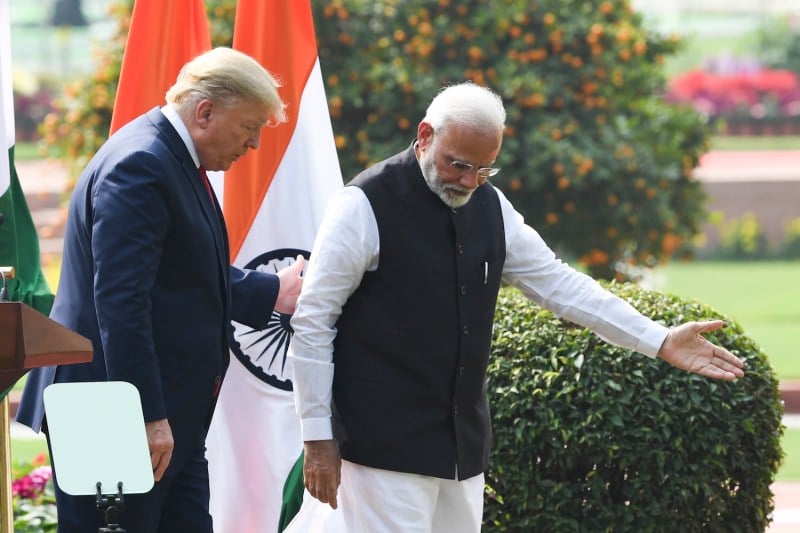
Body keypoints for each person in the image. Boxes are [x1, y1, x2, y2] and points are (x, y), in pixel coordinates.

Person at [287, 81, 745, 532]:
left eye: (485, 169)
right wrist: (317, 436)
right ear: (425, 135)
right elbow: (314, 321)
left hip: (461, 450)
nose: (469, 181)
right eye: (458, 164)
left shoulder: (491, 206)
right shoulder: (362, 204)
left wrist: (659, 339)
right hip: (379, 448)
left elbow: (562, 285)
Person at [16, 47, 304, 532]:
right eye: (248, 127)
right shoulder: (142, 165)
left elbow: (180, 269)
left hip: (162, 417)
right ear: (206, 111)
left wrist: (267, 290)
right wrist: (145, 416)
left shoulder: (168, 157)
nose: (253, 144)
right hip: (115, 417)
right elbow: (121, 303)